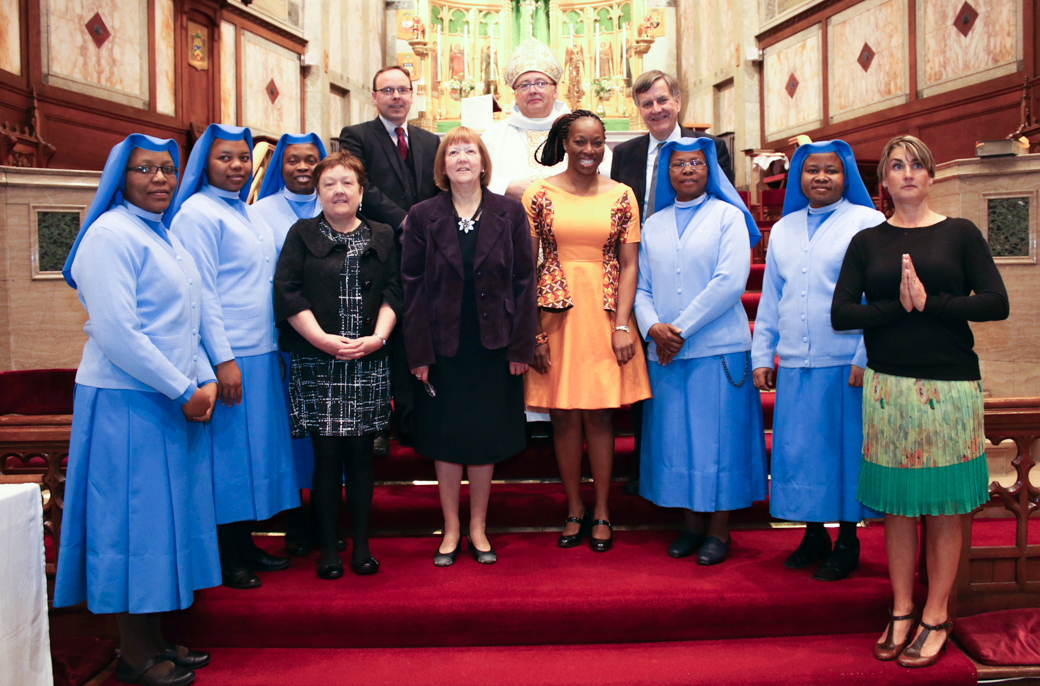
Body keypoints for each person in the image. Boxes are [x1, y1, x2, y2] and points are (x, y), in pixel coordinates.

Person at [831, 135, 1009, 667]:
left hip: (950, 384)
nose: (907, 173)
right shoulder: (867, 241)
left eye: (917, 165)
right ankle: (902, 608)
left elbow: (996, 302)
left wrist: (933, 303)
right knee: (898, 506)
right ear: (883, 180)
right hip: (889, 386)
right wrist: (898, 307)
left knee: (946, 506)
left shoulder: (960, 233)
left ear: (930, 176)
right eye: (896, 166)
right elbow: (842, 313)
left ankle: (936, 613)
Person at [55, 134, 220, 686]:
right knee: (129, 527)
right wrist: (184, 388)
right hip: (126, 402)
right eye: (145, 169)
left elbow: (187, 320)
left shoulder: (162, 233)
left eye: (167, 169)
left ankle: (154, 637)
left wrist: (203, 376)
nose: (160, 179)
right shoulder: (109, 235)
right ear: (120, 178)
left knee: (159, 526)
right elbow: (118, 332)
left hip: (167, 399)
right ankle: (133, 654)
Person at [170, 124, 299, 590]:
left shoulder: (246, 210)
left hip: (260, 349)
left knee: (253, 456)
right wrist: (222, 360)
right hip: (230, 354)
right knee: (227, 458)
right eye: (225, 158)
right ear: (205, 162)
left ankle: (244, 543)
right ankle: (225, 554)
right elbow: (201, 292)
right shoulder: (196, 213)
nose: (237, 166)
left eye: (243, 158)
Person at [401, 127, 537, 566]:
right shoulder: (422, 216)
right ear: (442, 166)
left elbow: (524, 282)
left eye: (470, 151)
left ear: (483, 163)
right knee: (445, 438)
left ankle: (478, 526)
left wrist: (521, 347)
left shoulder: (509, 213)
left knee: (485, 437)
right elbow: (411, 288)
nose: (462, 158)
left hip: (494, 345)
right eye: (453, 152)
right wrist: (419, 353)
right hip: (442, 347)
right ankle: (450, 527)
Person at [751, 140, 885, 580]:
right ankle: (813, 535)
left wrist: (865, 355)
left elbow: (878, 297)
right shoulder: (784, 229)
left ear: (847, 176)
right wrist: (762, 353)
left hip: (845, 361)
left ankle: (847, 539)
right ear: (799, 177)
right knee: (802, 452)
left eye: (831, 170)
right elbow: (772, 297)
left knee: (844, 454)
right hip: (795, 361)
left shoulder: (867, 222)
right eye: (812, 170)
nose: (821, 177)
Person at [633, 137, 767, 566]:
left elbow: (730, 282)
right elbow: (641, 287)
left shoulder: (729, 217)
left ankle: (719, 530)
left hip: (718, 349)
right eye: (678, 164)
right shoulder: (653, 224)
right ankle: (690, 524)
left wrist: (678, 330)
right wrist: (652, 327)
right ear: (666, 173)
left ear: (710, 170)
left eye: (695, 163)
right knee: (675, 441)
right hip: (666, 352)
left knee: (718, 441)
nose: (687, 170)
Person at [523, 110, 651, 552]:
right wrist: (534, 334)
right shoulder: (538, 195)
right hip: (554, 314)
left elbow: (630, 265)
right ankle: (574, 507)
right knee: (562, 416)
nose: (589, 150)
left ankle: (602, 510)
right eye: (580, 141)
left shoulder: (622, 195)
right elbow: (526, 267)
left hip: (604, 313)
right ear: (565, 142)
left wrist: (622, 324)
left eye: (597, 142)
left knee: (599, 415)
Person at [273, 151, 402, 580]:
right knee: (325, 458)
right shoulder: (302, 233)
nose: (339, 191)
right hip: (318, 363)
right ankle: (328, 548)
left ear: (361, 192)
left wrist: (378, 338)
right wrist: (322, 341)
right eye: (329, 184)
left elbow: (395, 291)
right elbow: (287, 292)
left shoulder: (383, 234)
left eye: (347, 183)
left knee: (362, 457)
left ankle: (361, 546)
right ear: (319, 192)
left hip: (368, 361)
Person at [609, 70, 735, 497]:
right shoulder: (625, 153)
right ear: (638, 110)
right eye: (647, 104)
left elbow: (722, 199)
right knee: (645, 379)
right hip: (643, 265)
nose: (656, 110)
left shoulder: (710, 148)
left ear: (678, 101)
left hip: (697, 261)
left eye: (663, 100)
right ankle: (647, 466)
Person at [338, 65, 441, 452]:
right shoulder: (356, 136)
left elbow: (440, 188)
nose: (396, 96)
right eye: (387, 90)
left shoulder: (430, 140)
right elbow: (362, 183)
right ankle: (380, 420)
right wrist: (407, 222)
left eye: (402, 89)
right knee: (381, 334)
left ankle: (416, 419)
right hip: (379, 249)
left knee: (419, 334)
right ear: (374, 96)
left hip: (427, 253)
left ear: (412, 95)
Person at [253, 132, 336, 557]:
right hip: (287, 340)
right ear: (278, 167)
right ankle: (296, 518)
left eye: (310, 160)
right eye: (292, 160)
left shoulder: (337, 205)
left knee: (329, 432)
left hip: (336, 341)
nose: (302, 167)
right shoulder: (258, 213)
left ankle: (326, 516)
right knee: (294, 434)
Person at [483, 38, 613, 202]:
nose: (533, 90)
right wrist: (507, 187)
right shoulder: (495, 134)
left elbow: (610, 168)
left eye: (541, 83)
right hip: (514, 215)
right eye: (524, 85)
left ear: (555, 91)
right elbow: (474, 174)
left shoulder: (578, 128)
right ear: (515, 95)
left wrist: (575, 182)